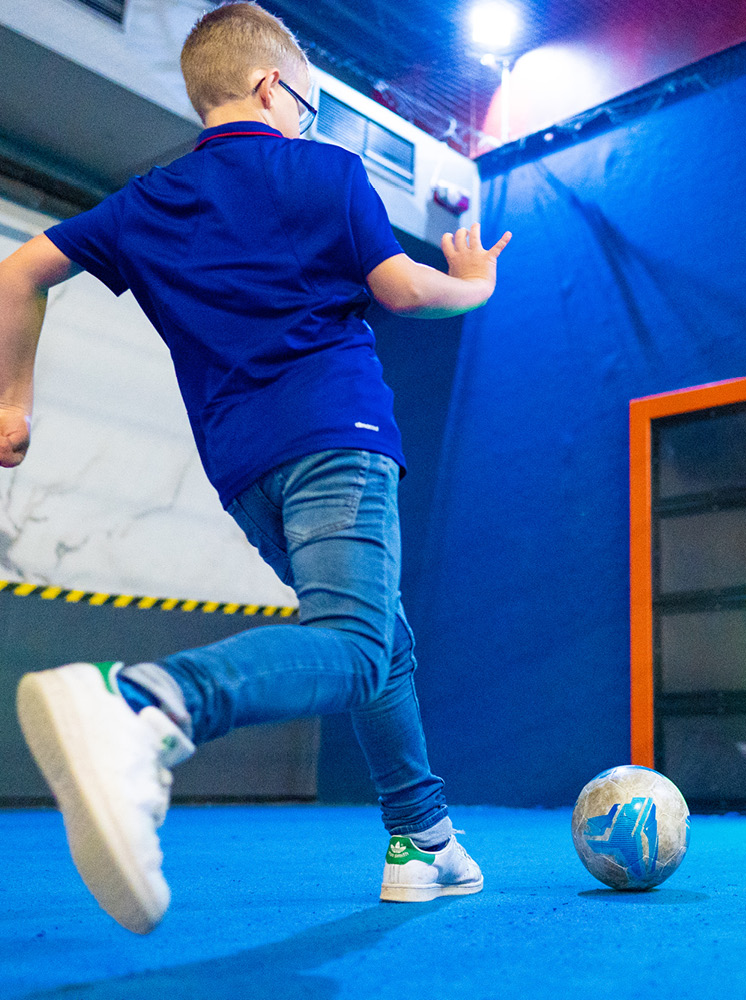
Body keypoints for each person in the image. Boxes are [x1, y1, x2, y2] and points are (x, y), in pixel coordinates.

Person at [0, 1, 511, 935]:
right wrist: (474, 284)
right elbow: (403, 288)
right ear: (272, 87)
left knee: (379, 639)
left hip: (244, 476)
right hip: (338, 435)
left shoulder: (146, 201)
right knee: (357, 645)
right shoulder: (324, 170)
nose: (308, 122)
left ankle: (423, 840)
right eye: (309, 106)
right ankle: (148, 701)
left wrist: (11, 404)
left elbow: (19, 271)